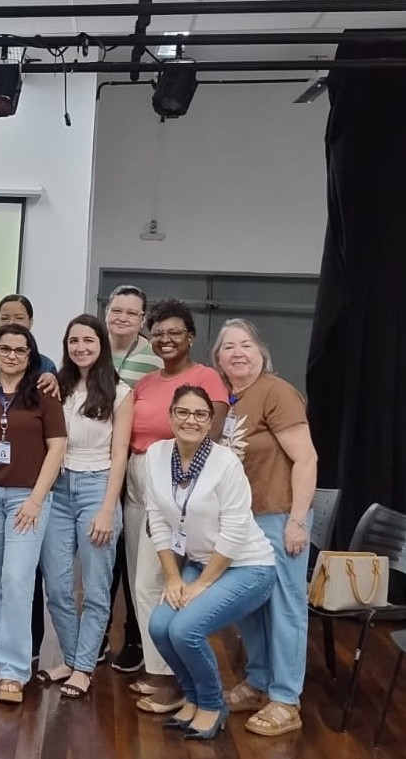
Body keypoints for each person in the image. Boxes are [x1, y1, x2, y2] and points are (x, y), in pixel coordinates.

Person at [145, 385, 276, 740]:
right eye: (183, 412)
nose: (191, 420)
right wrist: (174, 579)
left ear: (210, 421)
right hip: (197, 563)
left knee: (185, 630)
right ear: (170, 415)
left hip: (248, 567)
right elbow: (157, 520)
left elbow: (234, 532)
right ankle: (194, 697)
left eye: (200, 414)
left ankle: (212, 704)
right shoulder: (156, 455)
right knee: (160, 626)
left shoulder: (225, 463)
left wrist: (200, 586)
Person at [212, 318, 317, 736]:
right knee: (251, 606)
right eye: (228, 347)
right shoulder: (231, 400)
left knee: (286, 608)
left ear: (261, 352)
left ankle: (286, 700)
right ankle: (258, 682)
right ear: (217, 358)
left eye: (246, 345)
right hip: (243, 521)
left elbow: (306, 459)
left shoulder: (277, 392)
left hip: (279, 516)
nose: (237, 353)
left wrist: (296, 521)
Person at [126, 298, 229, 713]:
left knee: (167, 580)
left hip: (177, 485)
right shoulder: (146, 383)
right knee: (143, 581)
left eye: (175, 332)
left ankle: (174, 677)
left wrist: (179, 493)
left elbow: (211, 437)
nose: (165, 339)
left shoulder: (207, 377)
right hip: (139, 480)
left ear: (190, 337)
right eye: (158, 333)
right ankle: (158, 669)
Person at [0, 324, 66, 705]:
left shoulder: (43, 394)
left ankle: (14, 669)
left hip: (28, 498)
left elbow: (57, 448)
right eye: (4, 349)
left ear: (30, 355)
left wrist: (37, 499)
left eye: (20, 350)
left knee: (18, 579)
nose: (12, 356)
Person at [38, 314, 132, 698]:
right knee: (57, 586)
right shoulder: (54, 387)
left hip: (98, 488)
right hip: (57, 489)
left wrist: (109, 508)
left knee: (95, 588)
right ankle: (76, 658)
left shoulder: (120, 392)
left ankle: (82, 666)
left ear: (101, 345)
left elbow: (121, 450)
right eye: (73, 341)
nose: (81, 347)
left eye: (88, 340)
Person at [103, 284, 163, 673]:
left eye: (131, 312)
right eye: (116, 309)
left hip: (139, 469)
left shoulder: (155, 360)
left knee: (135, 560)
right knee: (102, 557)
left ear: (143, 319)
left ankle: (137, 638)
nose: (122, 317)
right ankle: (97, 635)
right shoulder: (90, 345)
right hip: (96, 467)